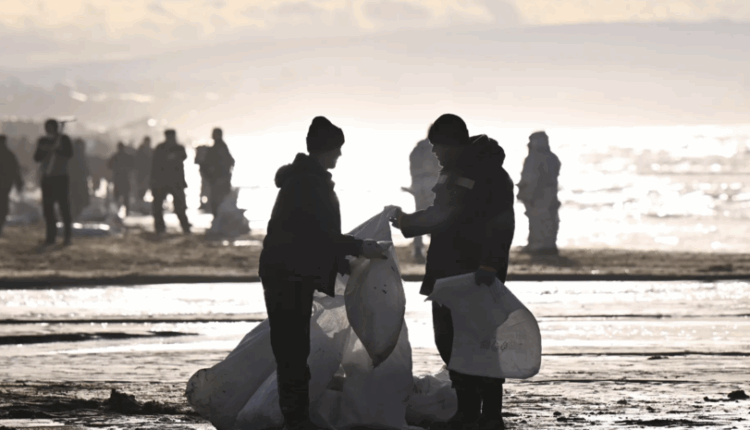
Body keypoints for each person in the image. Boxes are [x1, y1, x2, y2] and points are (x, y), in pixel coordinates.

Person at [259, 116, 389, 430]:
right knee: (293, 348)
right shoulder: (309, 183)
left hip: (286, 270)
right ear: (326, 149)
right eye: (337, 149)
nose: (340, 155)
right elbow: (318, 235)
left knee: (293, 345)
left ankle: (296, 415)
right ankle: (296, 419)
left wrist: (345, 262)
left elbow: (313, 235)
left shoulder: (304, 179)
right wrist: (360, 247)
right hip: (288, 273)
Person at [390, 114, 515, 430]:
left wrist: (406, 222)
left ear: (453, 144)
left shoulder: (488, 174)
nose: (434, 153)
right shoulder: (456, 171)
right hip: (449, 271)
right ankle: (468, 412)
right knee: (450, 342)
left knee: (479, 343)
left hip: (473, 275)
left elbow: (495, 223)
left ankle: (490, 415)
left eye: (438, 146)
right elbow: (443, 214)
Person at [517, 131, 561, 255]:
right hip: (540, 195)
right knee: (536, 220)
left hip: (542, 195)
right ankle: (536, 244)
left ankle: (543, 245)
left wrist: (528, 192)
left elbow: (534, 178)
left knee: (543, 220)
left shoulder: (541, 158)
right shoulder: (542, 157)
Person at [34, 119, 74, 246]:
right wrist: (46, 150)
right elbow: (37, 157)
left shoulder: (64, 139)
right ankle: (50, 237)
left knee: (64, 208)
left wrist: (58, 149)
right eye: (47, 128)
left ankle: (67, 237)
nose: (49, 130)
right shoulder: (43, 141)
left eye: (51, 128)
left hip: (61, 178)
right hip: (47, 177)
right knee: (48, 209)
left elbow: (69, 153)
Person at [403, 137, 441, 263]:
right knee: (436, 215)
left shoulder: (417, 149)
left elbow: (412, 169)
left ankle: (418, 249)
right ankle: (435, 248)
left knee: (419, 215)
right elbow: (438, 166)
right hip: (432, 183)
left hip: (418, 184)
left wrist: (414, 185)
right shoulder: (435, 147)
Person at [150, 129, 191, 235]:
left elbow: (183, 157)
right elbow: (155, 165)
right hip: (164, 181)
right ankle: (161, 228)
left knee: (179, 207)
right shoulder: (163, 148)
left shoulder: (177, 148)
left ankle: (185, 227)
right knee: (159, 206)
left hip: (173, 182)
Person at [201, 128, 235, 217]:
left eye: (214, 134)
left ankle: (219, 218)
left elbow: (228, 162)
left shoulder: (219, 147)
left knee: (218, 200)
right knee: (220, 200)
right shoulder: (220, 146)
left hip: (219, 179)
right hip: (219, 178)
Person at [0, 135, 24, 237]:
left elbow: (15, 170)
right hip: (5, 185)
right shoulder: (9, 155)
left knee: (3, 206)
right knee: (3, 207)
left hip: (4, 185)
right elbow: (15, 170)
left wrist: (19, 183)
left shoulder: (9, 155)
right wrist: (19, 183)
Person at [108, 142, 136, 217]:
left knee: (117, 197)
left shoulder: (115, 156)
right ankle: (126, 212)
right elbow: (133, 166)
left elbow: (109, 165)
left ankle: (116, 212)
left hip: (118, 179)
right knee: (125, 197)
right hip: (125, 179)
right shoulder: (127, 157)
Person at [69, 138, 91, 220]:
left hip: (77, 182)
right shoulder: (79, 156)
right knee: (77, 201)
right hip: (77, 182)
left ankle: (74, 217)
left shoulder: (74, 156)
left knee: (76, 201)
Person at [135, 136, 153, 204]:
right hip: (142, 174)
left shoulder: (141, 150)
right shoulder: (142, 151)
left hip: (147, 173)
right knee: (141, 189)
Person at [194, 144, 211, 211]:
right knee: (205, 189)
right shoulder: (204, 155)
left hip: (207, 175)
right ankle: (205, 203)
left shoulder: (205, 155)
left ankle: (206, 203)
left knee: (206, 189)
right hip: (205, 175)